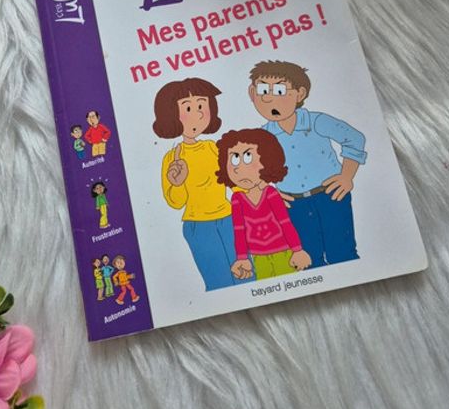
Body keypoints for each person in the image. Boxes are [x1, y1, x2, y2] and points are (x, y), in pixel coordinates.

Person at [248, 61, 367, 267]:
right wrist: (269, 194)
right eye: (262, 90)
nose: (268, 98)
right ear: (252, 94)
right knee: (309, 260)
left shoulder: (316, 121)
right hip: (293, 205)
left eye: (279, 90)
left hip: (330, 195)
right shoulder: (262, 136)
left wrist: (346, 176)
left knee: (342, 253)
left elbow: (354, 139)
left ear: (300, 94)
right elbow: (252, 171)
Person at [153, 77, 242, 291]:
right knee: (218, 282)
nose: (199, 114)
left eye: (202, 106)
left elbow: (233, 180)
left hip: (230, 218)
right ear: (170, 115)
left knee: (247, 273)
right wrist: (177, 182)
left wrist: (251, 200)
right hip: (198, 226)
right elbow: (176, 203)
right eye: (188, 108)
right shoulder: (172, 158)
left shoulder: (214, 147)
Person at [216, 128, 311, 280]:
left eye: (247, 156)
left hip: (283, 251)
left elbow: (285, 223)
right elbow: (239, 231)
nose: (238, 168)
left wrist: (297, 250)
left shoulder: (270, 193)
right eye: (234, 158)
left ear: (267, 160)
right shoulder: (237, 199)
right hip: (258, 256)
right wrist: (242, 258)